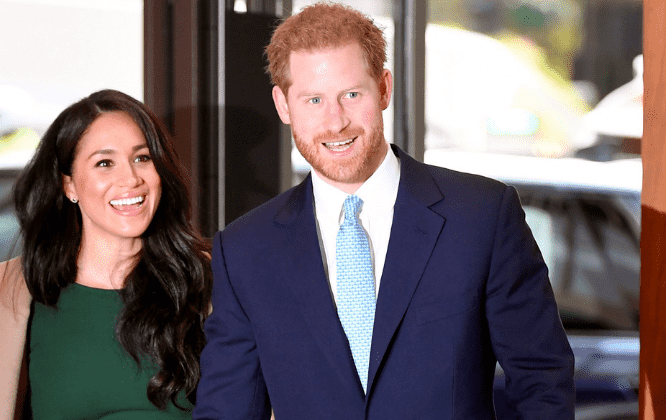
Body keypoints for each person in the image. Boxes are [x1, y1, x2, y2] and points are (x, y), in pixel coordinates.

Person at [193, 3, 575, 419]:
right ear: (284, 105)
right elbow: (227, 409)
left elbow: (542, 382)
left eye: (351, 94)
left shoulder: (482, 217)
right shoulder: (245, 250)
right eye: (314, 99)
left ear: (384, 88)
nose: (335, 121)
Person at [0, 89, 213, 419]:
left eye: (142, 158)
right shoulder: (9, 291)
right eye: (104, 163)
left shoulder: (208, 281)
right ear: (69, 184)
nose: (130, 178)